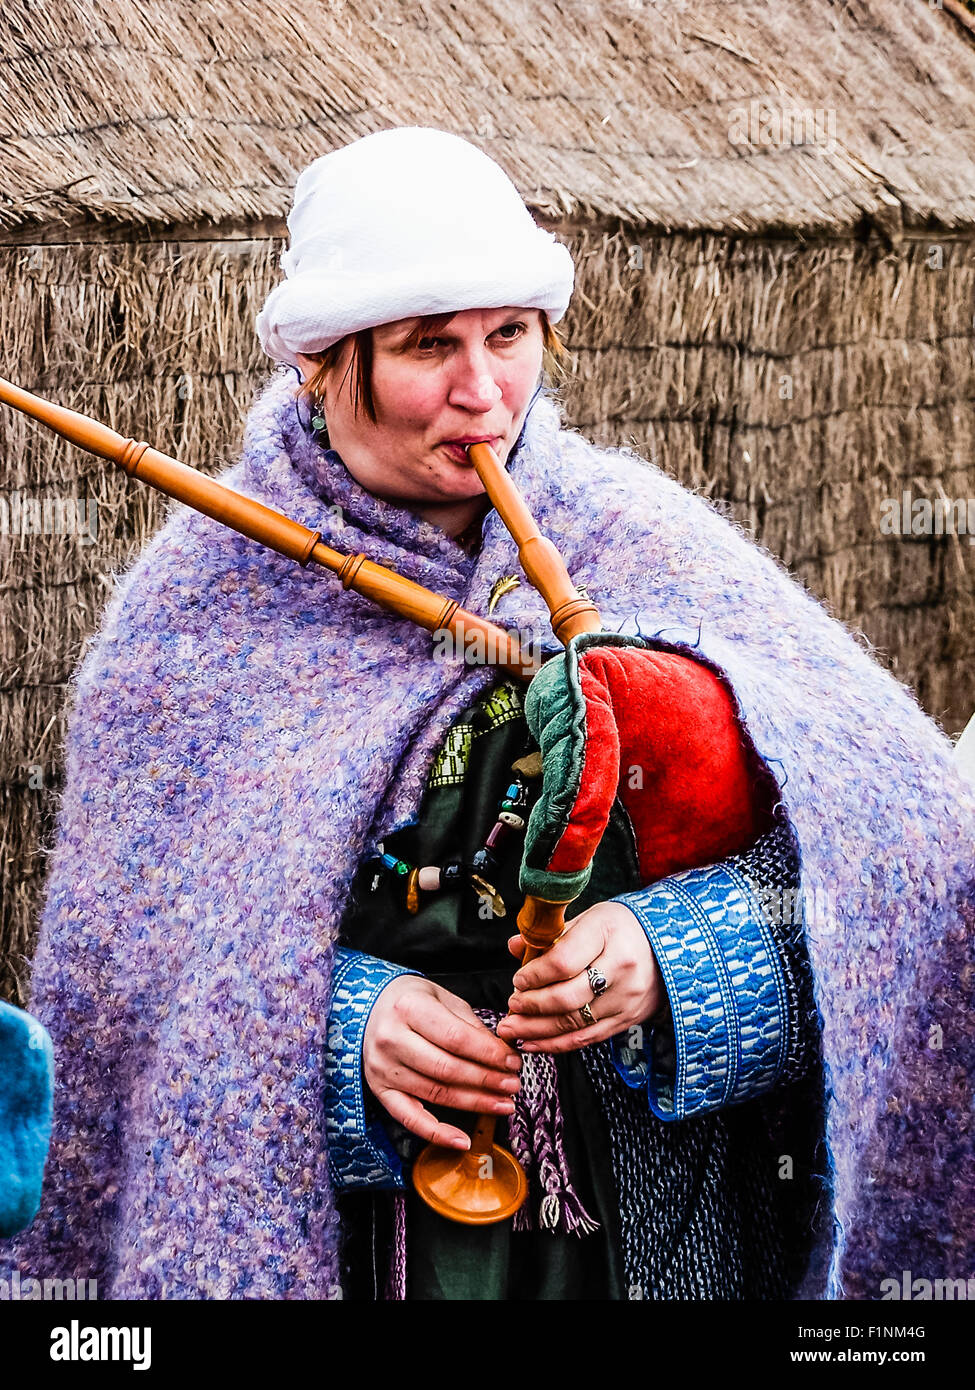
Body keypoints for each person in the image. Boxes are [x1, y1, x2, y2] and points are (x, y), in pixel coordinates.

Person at [1, 127, 972, 1302]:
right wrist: (341, 1028)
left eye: (509, 335)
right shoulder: (202, 615)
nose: (483, 390)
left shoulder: (646, 546)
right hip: (350, 1247)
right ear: (320, 361)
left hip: (668, 1244)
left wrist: (687, 955)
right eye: (428, 346)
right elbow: (133, 990)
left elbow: (910, 873)